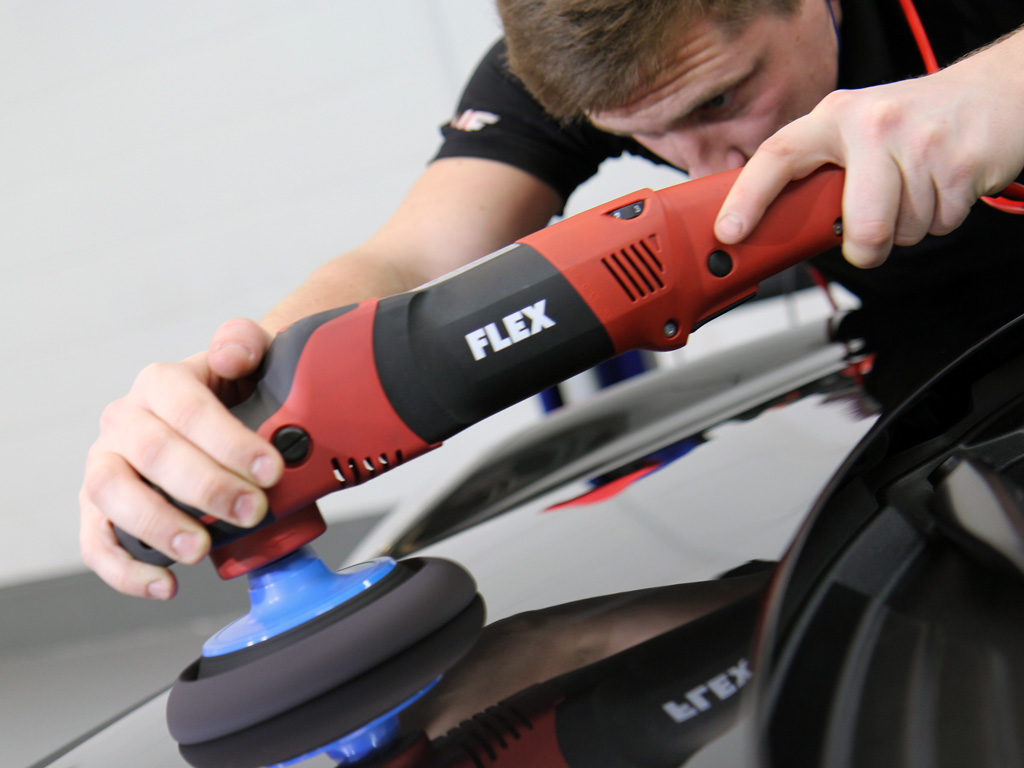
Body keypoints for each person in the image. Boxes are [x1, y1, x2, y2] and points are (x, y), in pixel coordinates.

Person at [80, 0, 1024, 602]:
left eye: (724, 99)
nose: (715, 171)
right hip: (939, 361)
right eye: (645, 139)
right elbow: (404, 260)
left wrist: (991, 94)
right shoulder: (580, 62)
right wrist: (229, 409)